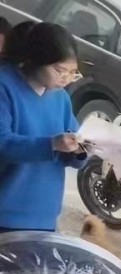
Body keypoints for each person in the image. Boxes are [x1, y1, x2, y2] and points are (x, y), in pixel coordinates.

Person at [0, 22, 86, 232]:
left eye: (73, 73)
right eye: (60, 71)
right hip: (6, 214)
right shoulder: (5, 87)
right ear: (35, 59)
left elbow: (74, 142)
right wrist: (52, 144)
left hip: (44, 215)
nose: (66, 79)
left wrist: (81, 150)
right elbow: (3, 144)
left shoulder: (60, 98)